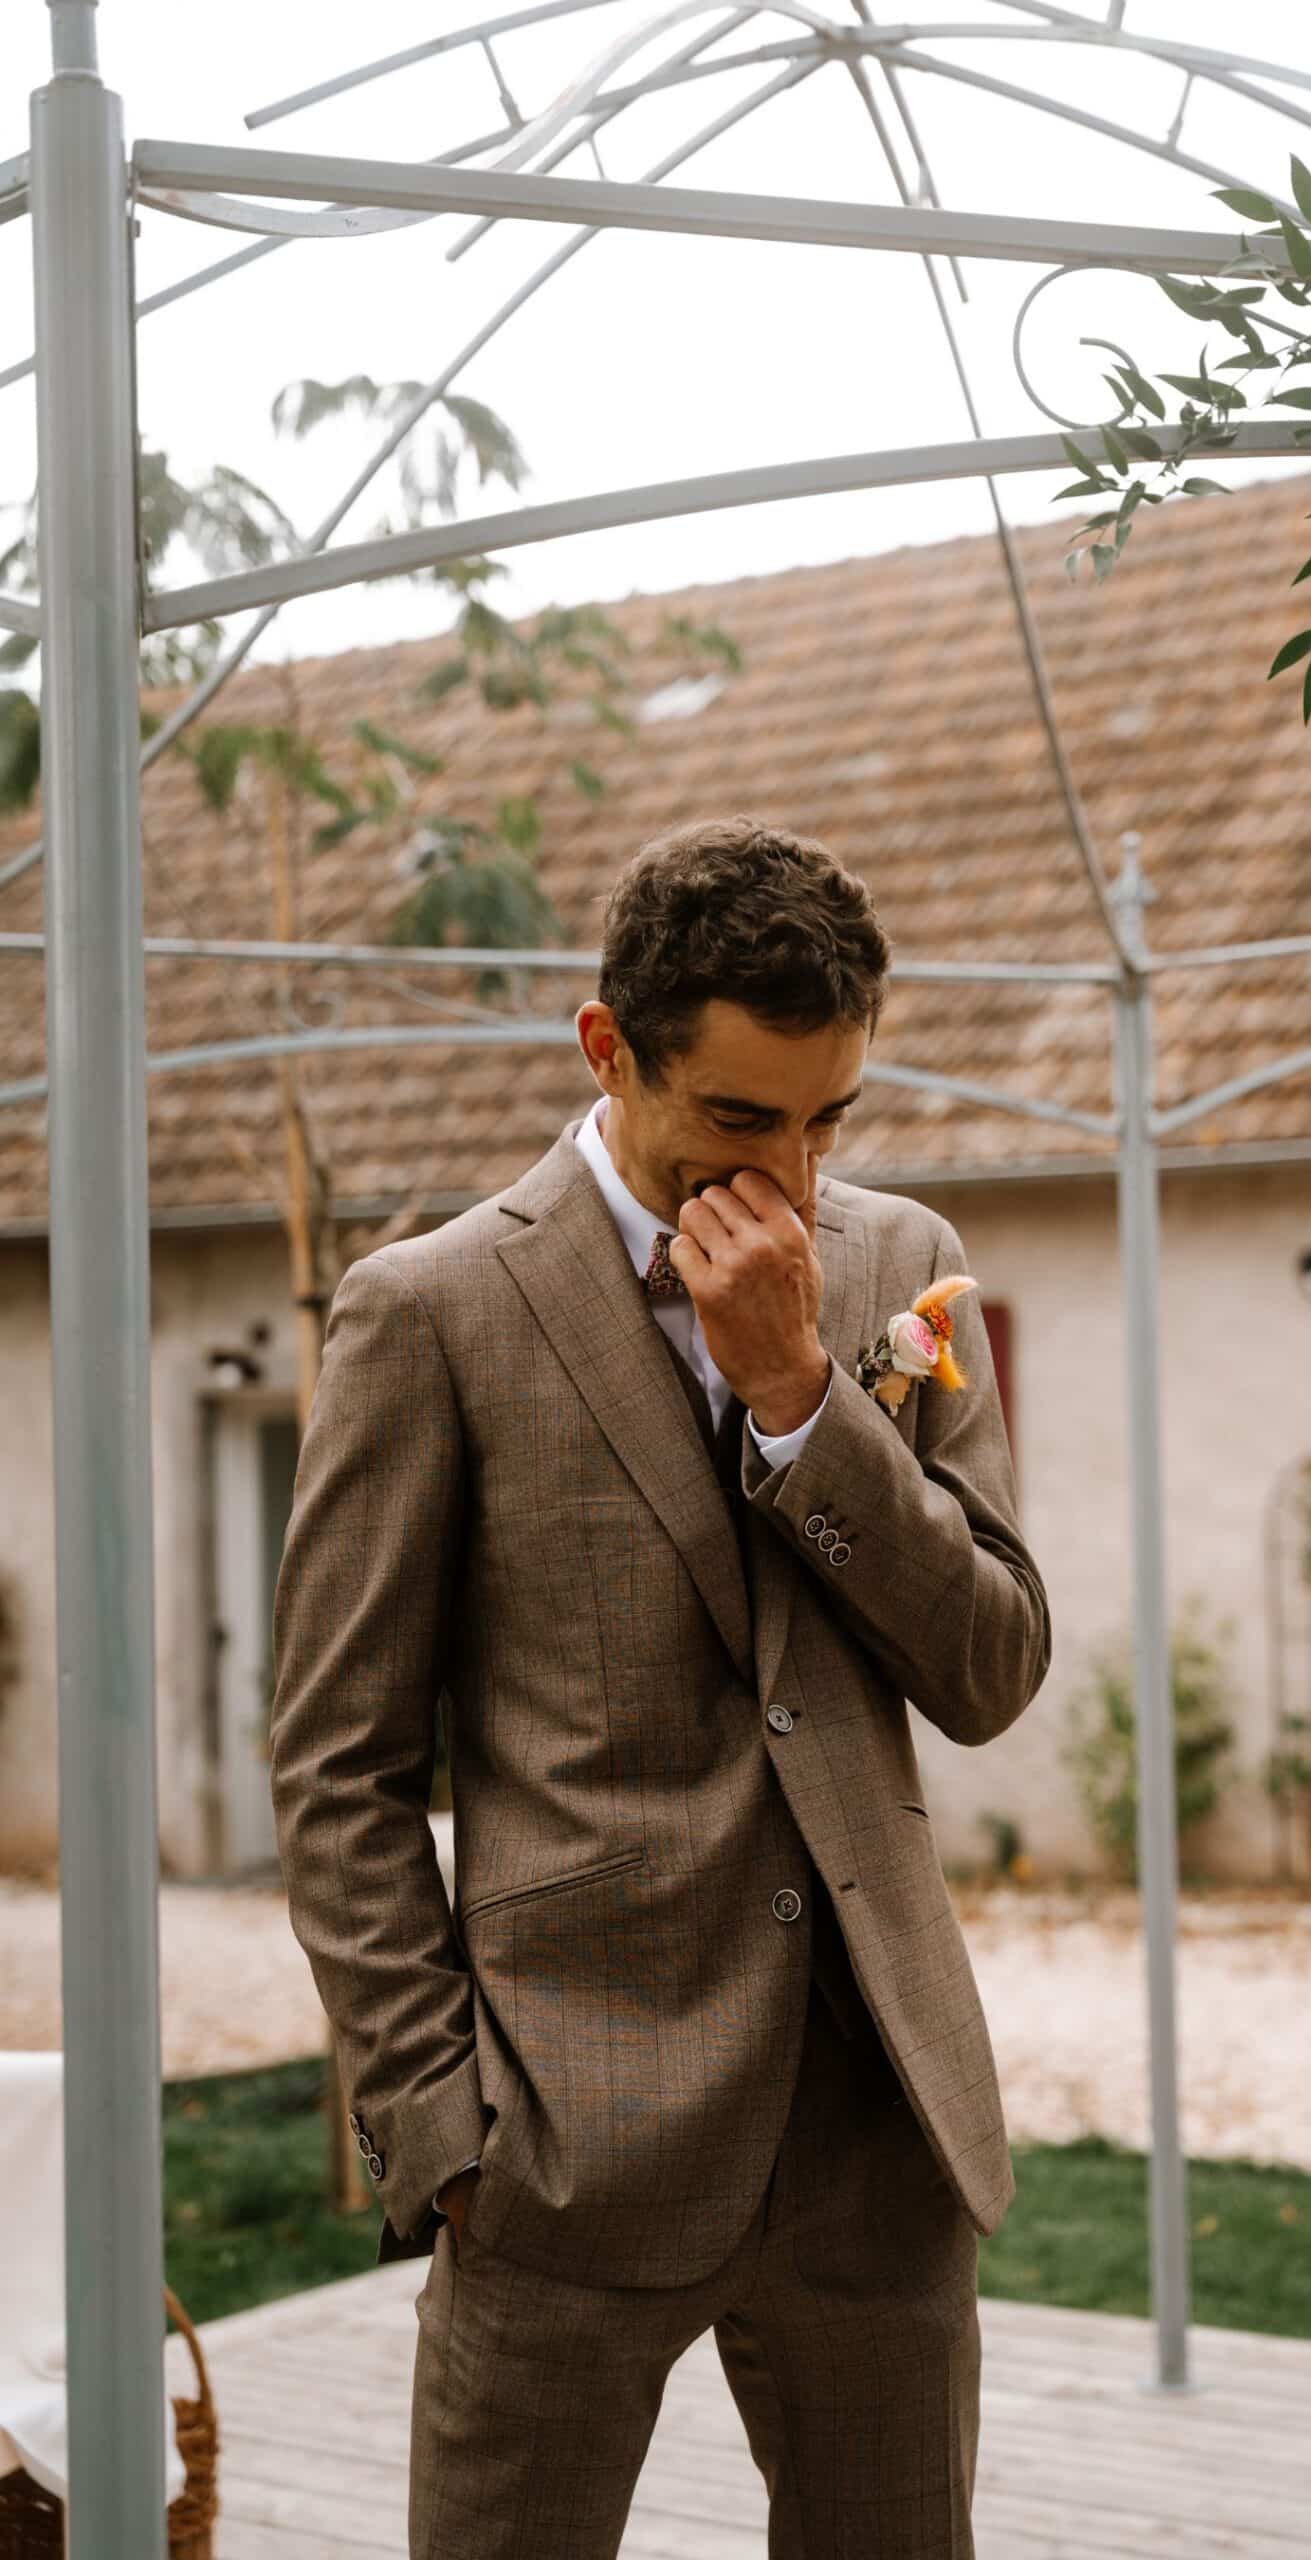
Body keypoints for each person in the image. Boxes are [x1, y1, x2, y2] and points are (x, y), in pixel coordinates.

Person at [268, 817, 1051, 2560]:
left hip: (876, 2128)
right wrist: (440, 2124)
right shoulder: (430, 1311)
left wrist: (802, 1401)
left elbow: (991, 1665)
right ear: (607, 1050)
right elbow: (337, 1766)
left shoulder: (898, 1268)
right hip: (561, 2141)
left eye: (830, 1119)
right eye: (742, 1118)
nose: (795, 1171)